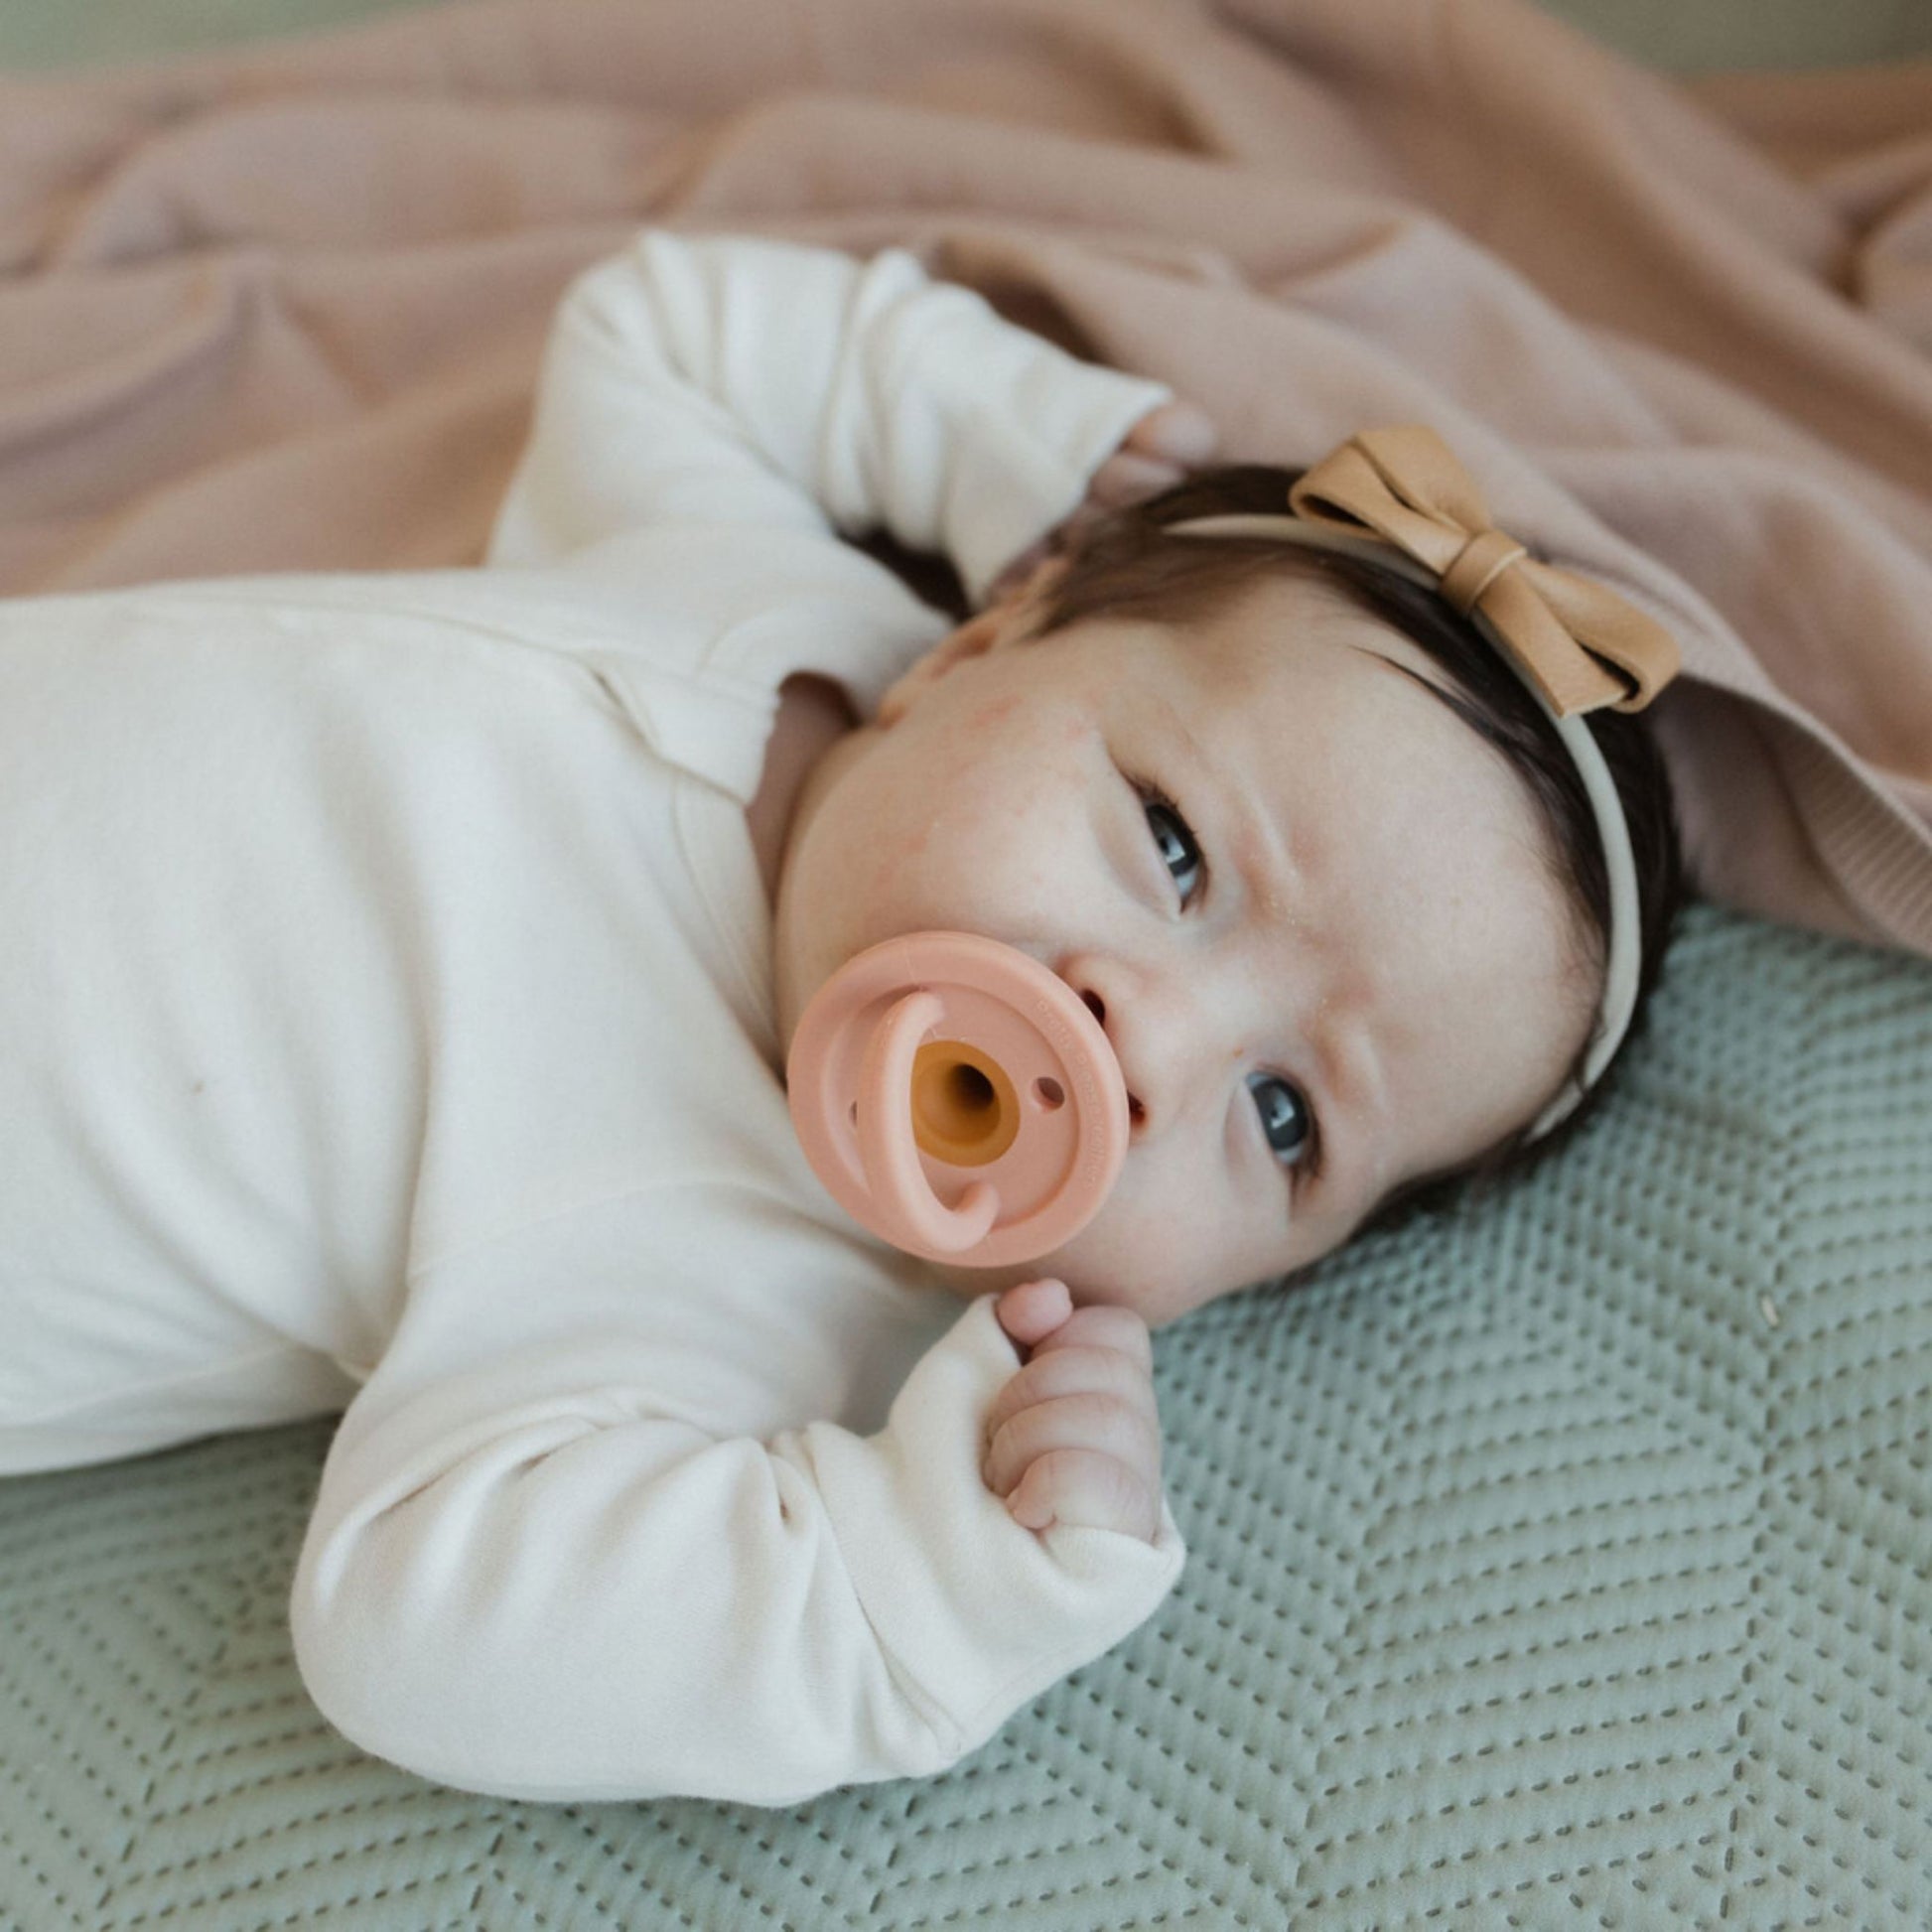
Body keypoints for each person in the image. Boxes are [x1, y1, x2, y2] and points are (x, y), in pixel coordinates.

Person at [0, 225, 1683, 1804]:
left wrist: (916, 1576)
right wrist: (999, 431)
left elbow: (409, 1630)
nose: (1147, 1049)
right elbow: (656, 333)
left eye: (1286, 1118)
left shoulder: (729, 1272)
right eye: (1170, 846)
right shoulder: (753, 585)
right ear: (988, 637)